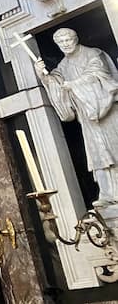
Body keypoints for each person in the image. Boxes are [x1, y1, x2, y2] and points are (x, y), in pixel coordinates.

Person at [34, 28, 118, 206]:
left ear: (76, 39)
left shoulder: (92, 54)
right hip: (87, 117)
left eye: (68, 40)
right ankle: (108, 192)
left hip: (107, 111)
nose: (65, 44)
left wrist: (74, 85)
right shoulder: (63, 66)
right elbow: (57, 84)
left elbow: (100, 75)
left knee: (114, 148)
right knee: (98, 154)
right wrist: (44, 75)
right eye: (61, 42)